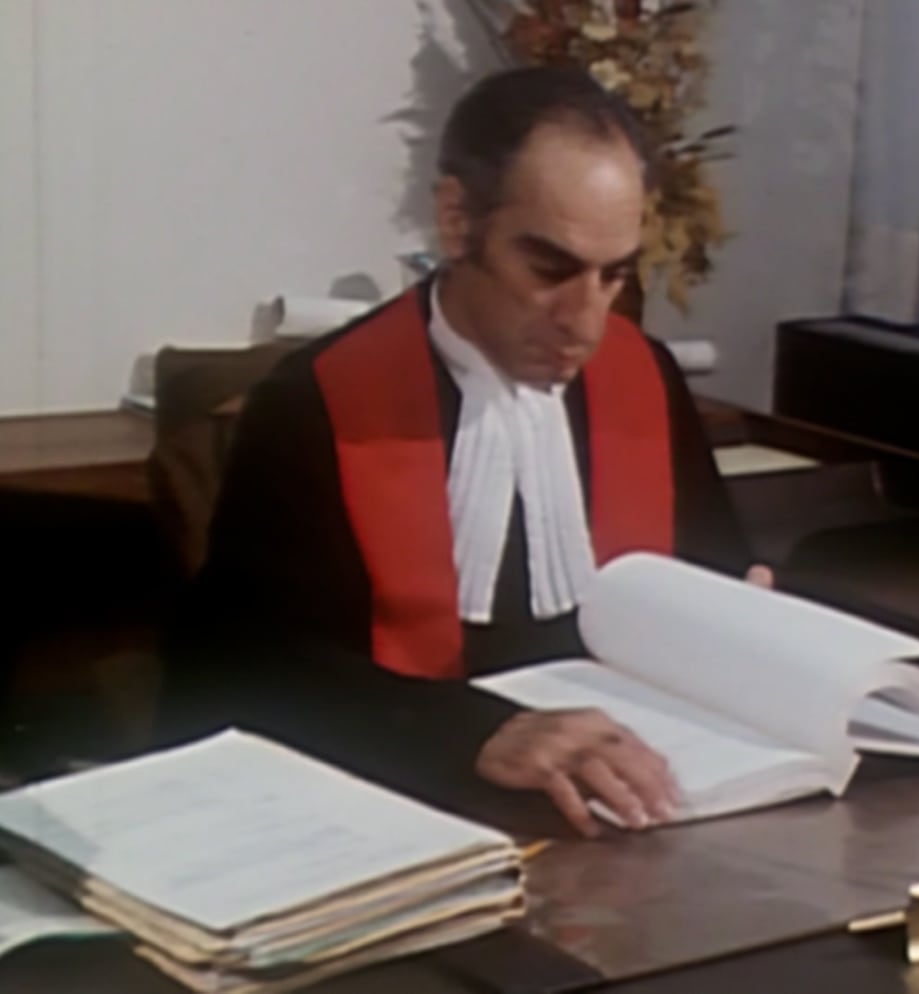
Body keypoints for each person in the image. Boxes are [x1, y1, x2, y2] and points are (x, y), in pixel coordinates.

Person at [160, 67, 770, 837]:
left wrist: (753, 630)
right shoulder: (316, 402)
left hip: (633, 812)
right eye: (550, 270)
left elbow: (709, 583)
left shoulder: (645, 378)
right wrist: (470, 731)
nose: (585, 323)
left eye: (614, 276)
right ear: (457, 220)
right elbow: (237, 671)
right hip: (401, 813)